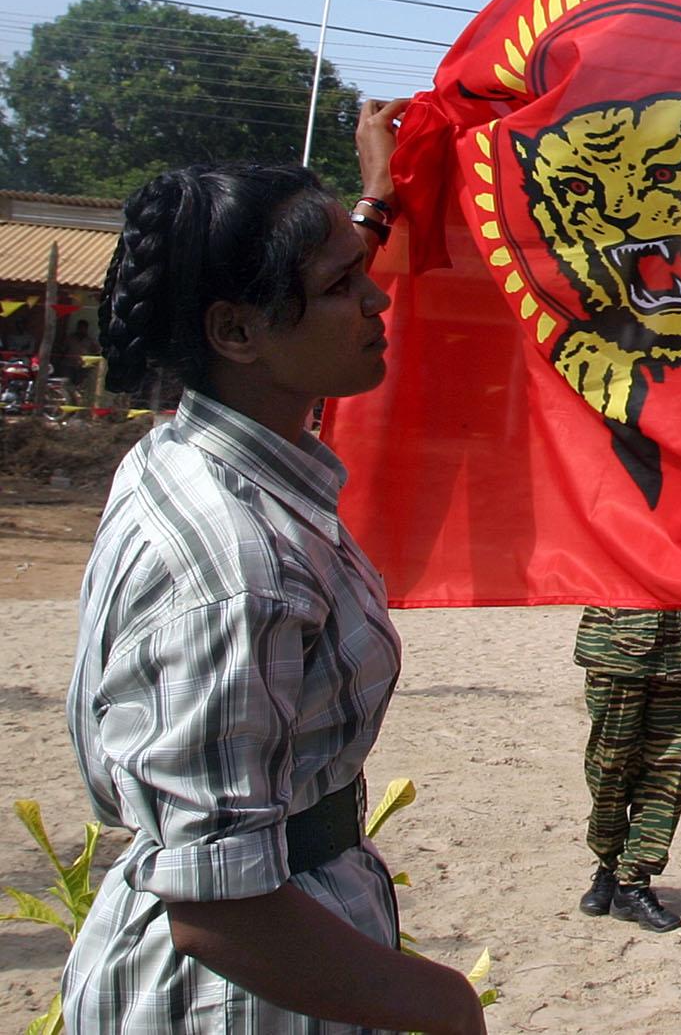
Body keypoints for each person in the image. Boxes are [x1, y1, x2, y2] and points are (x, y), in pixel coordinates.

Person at [63, 102, 487, 1035]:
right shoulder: (237, 565)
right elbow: (219, 904)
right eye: (344, 285)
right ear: (238, 330)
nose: (378, 301)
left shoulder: (194, 451)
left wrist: (378, 195)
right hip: (247, 991)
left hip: (291, 948)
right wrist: (442, 1003)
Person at [573, 606, 681, 932]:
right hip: (616, 642)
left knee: (667, 771)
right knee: (607, 768)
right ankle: (610, 863)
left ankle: (633, 880)